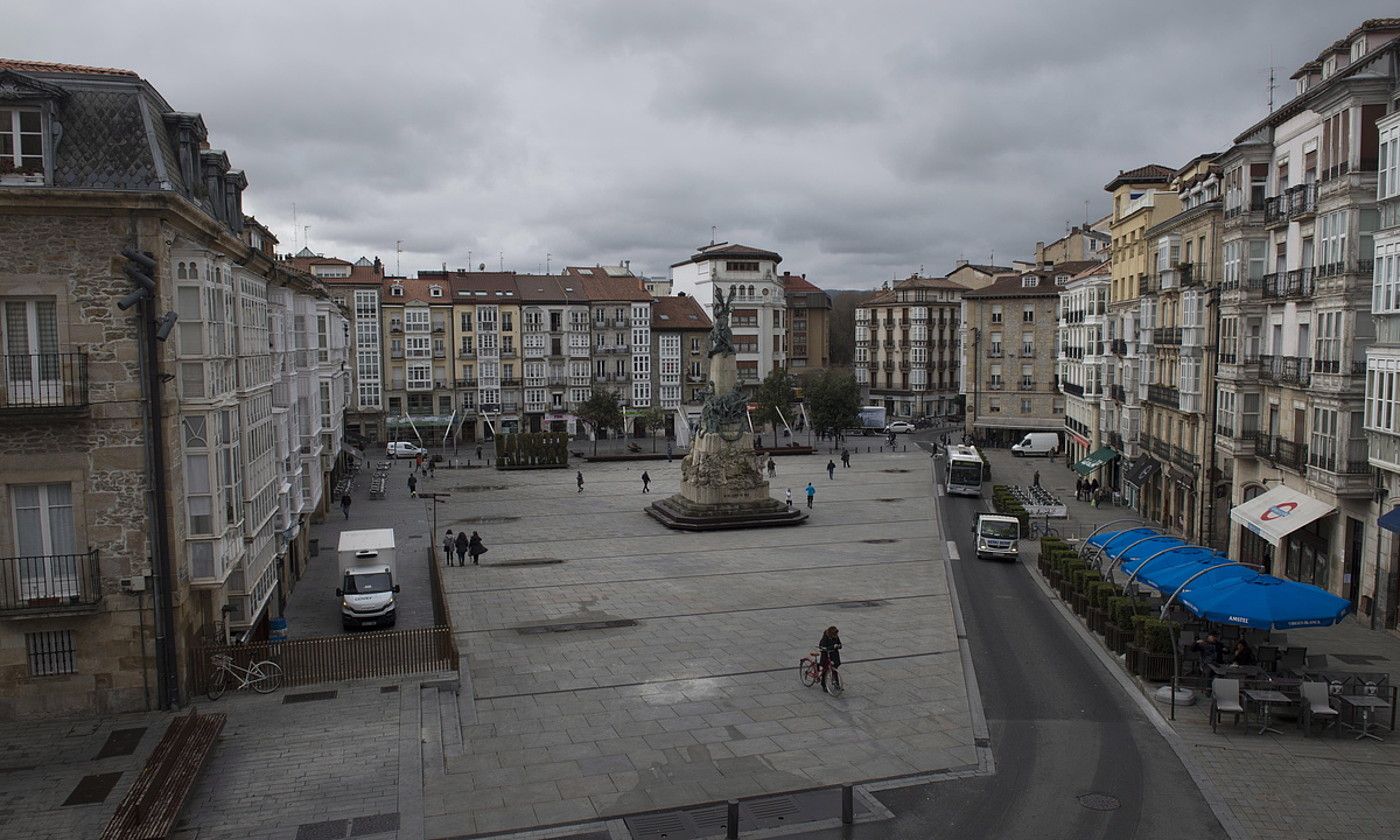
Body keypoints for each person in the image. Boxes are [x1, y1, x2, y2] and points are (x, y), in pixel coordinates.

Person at [818, 626, 842, 693]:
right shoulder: (825, 637)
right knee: (825, 670)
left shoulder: (836, 636)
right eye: (835, 634)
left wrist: (839, 646)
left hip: (834, 655)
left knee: (834, 669)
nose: (836, 636)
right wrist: (833, 647)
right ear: (831, 633)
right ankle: (823, 685)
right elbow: (822, 647)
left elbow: (840, 644)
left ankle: (837, 684)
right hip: (826, 656)